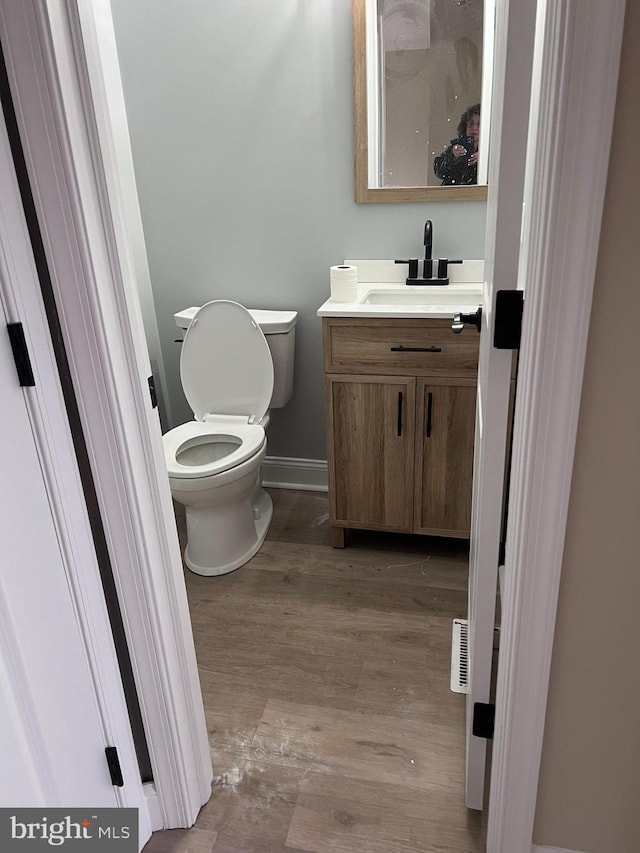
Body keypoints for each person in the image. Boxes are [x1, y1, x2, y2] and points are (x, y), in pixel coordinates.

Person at [433, 104, 480, 186]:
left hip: (477, 196)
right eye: (471, 124)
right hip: (451, 195)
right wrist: (453, 157)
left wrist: (484, 160)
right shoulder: (456, 146)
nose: (474, 128)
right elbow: (439, 171)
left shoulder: (492, 151)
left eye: (479, 124)